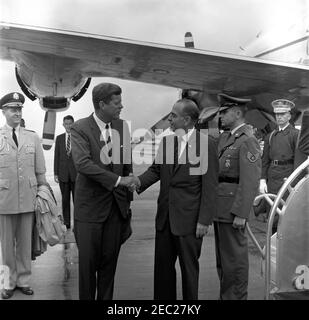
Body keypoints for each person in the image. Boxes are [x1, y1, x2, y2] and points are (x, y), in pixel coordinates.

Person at [130, 98, 219, 300]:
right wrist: (136, 181)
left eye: (173, 115)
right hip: (165, 219)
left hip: (189, 221)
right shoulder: (168, 141)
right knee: (162, 272)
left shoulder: (206, 144)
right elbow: (155, 170)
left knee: (189, 271)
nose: (169, 118)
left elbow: (210, 186)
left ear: (186, 119)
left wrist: (204, 220)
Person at [70, 83, 133, 300]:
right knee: (88, 271)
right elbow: (83, 164)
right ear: (102, 104)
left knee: (109, 268)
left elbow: (127, 166)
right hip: (90, 213)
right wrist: (119, 181)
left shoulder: (122, 127)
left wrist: (127, 204)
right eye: (116, 103)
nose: (121, 106)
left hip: (115, 212)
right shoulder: (80, 128)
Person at [0, 92, 47, 299]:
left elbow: (40, 171)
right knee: (6, 246)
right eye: (12, 108)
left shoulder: (32, 137)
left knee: (25, 244)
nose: (17, 112)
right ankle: (7, 283)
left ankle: (24, 280)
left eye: (19, 108)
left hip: (28, 198)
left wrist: (43, 194)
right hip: (4, 200)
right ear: (3, 112)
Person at [214, 93, 261, 300]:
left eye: (224, 112)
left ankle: (236, 297)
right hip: (220, 208)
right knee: (223, 261)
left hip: (233, 209)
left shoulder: (247, 141)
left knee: (235, 260)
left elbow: (250, 180)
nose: (221, 116)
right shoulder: (226, 137)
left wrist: (242, 213)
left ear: (238, 112)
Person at [259, 99, 299, 233]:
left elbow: (298, 161)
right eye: (277, 114)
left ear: (289, 116)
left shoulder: (295, 135)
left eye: (283, 114)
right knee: (272, 211)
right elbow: (265, 160)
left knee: (284, 213)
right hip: (272, 177)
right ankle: (272, 243)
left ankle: (280, 243)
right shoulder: (270, 136)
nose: (279, 117)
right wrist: (262, 179)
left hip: (287, 177)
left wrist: (294, 181)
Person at [54, 115, 77, 230]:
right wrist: (56, 173)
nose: (68, 126)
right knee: (65, 200)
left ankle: (77, 222)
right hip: (63, 175)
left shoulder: (78, 137)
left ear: (73, 124)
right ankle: (67, 223)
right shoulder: (59, 138)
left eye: (70, 123)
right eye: (66, 124)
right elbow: (56, 156)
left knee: (77, 200)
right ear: (63, 125)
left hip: (76, 175)